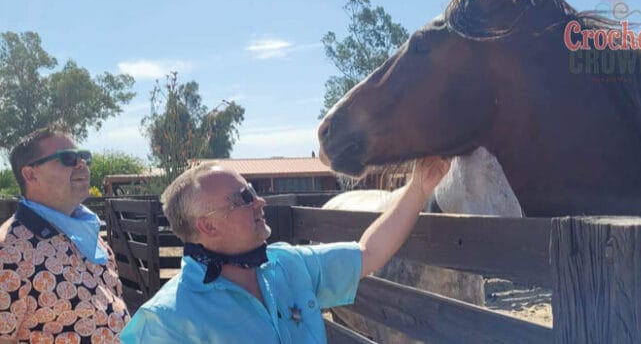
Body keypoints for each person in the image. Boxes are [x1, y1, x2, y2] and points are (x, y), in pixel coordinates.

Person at [120, 156, 450, 343]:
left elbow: (369, 252)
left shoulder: (287, 265)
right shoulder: (166, 321)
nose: (260, 201)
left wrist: (420, 185)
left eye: (253, 190)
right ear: (208, 226)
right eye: (244, 198)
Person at [0, 127, 130, 343]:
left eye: (83, 156)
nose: (82, 164)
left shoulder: (89, 236)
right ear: (31, 174)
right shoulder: (8, 252)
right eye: (68, 158)